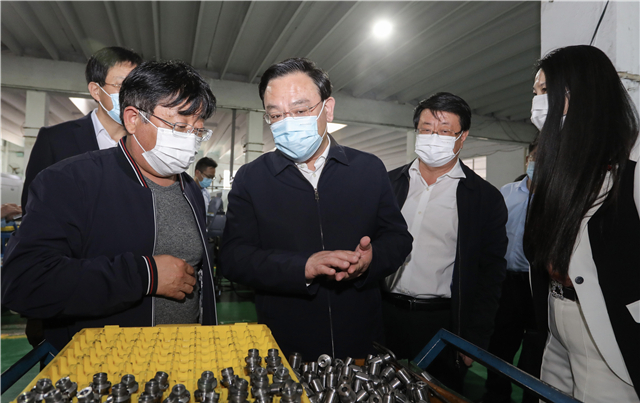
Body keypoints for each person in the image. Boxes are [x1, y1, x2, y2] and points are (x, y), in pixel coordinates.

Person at [2, 60, 219, 351]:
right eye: (179, 126)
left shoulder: (189, 189)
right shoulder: (71, 181)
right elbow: (24, 282)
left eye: (197, 131)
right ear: (133, 119)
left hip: (184, 355)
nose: (190, 141)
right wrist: (145, 275)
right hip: (107, 365)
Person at [220, 57, 412, 361]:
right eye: (276, 115)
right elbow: (234, 257)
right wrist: (303, 267)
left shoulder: (368, 169)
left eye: (300, 110)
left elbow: (398, 238)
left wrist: (371, 259)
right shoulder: (252, 178)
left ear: (328, 108)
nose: (288, 122)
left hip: (360, 337)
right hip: (286, 342)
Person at [524, 45, 640, 403]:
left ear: (582, 95)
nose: (536, 104)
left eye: (546, 91)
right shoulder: (560, 169)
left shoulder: (632, 167)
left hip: (608, 328)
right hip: (557, 318)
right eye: (535, 92)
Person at [385, 92, 507, 391]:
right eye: (426, 130)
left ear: (462, 137)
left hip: (443, 322)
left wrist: (474, 340)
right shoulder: (388, 184)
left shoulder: (484, 198)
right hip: (384, 314)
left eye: (444, 131)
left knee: (437, 401)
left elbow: (490, 274)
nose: (433, 138)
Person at [22, 46, 142, 212]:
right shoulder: (55, 140)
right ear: (96, 91)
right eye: (121, 85)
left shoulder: (147, 142)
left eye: (137, 87)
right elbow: (32, 204)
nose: (131, 95)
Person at [481, 143, 540, 403]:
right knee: (500, 344)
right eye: (535, 158)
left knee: (535, 352)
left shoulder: (556, 198)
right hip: (506, 282)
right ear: (527, 159)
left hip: (538, 285)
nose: (538, 164)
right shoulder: (507, 192)